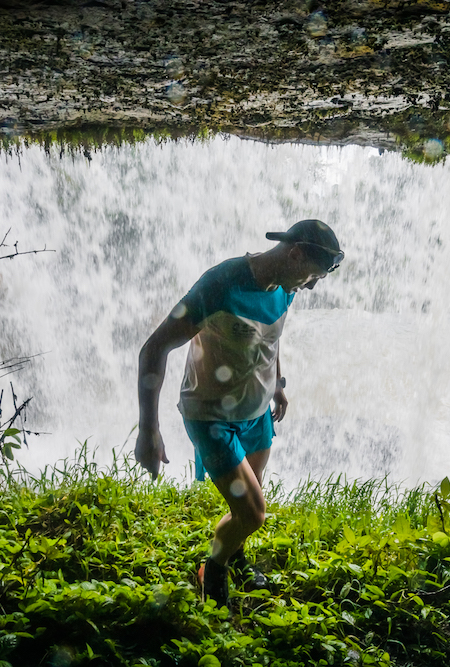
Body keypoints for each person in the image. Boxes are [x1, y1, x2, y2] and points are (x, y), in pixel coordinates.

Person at [135, 219, 344, 609]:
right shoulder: (219, 285)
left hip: (257, 409)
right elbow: (153, 349)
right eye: (311, 276)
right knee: (252, 513)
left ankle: (236, 555)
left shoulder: (286, 284)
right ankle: (212, 570)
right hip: (211, 414)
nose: (311, 286)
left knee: (251, 495)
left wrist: (277, 384)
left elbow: (271, 335)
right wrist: (149, 430)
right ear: (295, 253)